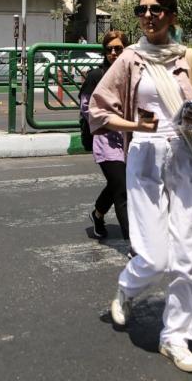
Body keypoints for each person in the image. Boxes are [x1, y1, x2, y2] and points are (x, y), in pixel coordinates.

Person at [88, 0, 192, 373]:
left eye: (157, 9)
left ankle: (175, 337)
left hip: (186, 153)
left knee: (191, 252)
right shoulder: (129, 59)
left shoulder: (190, 58)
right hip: (144, 153)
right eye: (142, 9)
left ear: (172, 16)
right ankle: (127, 288)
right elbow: (98, 110)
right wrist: (134, 124)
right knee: (155, 254)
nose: (148, 15)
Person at [79, 30, 129, 248]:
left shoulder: (132, 74)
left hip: (130, 137)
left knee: (117, 184)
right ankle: (135, 245)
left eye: (118, 48)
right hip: (105, 139)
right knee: (122, 189)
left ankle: (98, 214)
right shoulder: (96, 76)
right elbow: (86, 107)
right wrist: (109, 118)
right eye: (109, 49)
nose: (113, 53)